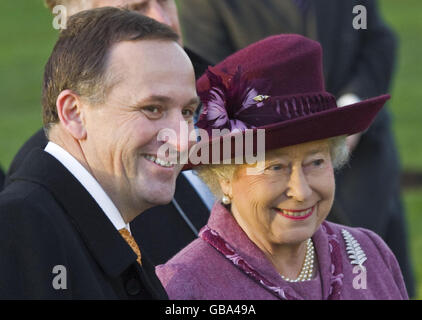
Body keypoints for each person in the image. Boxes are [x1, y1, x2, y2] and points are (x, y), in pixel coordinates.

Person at [177, 0, 414, 297]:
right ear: (224, 175)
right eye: (275, 167)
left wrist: (345, 109)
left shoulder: (373, 256)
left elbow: (374, 37)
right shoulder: (185, 289)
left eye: (316, 162)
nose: (301, 191)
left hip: (365, 174)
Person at [0, 7, 199, 299]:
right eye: (152, 109)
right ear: (74, 114)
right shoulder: (18, 232)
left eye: (187, 112)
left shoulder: (104, 230)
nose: (183, 141)